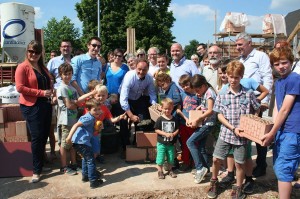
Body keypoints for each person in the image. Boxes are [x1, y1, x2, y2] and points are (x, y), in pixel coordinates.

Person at [207, 60, 260, 199]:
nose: (233, 80)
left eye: (236, 77)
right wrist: (232, 127)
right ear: (227, 76)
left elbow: (257, 108)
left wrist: (251, 123)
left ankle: (238, 187)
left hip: (242, 136)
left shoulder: (248, 94)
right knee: (216, 159)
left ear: (241, 76)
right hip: (225, 133)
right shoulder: (222, 94)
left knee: (239, 163)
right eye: (231, 76)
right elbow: (219, 115)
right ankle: (213, 182)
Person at [261, 47, 300, 199]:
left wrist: (271, 133)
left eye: (284, 63)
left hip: (292, 130)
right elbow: (277, 108)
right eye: (276, 64)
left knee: (284, 167)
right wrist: (273, 130)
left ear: (291, 62)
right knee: (279, 165)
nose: (281, 67)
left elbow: (285, 109)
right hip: (282, 130)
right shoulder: (279, 81)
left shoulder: (294, 79)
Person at [15, 40, 53, 183]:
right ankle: (36, 170)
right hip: (32, 106)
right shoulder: (22, 67)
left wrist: (51, 93)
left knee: (44, 136)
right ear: (27, 51)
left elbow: (49, 83)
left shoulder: (42, 67)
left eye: (37, 52)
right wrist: (41, 93)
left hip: (46, 105)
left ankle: (40, 164)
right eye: (31, 51)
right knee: (37, 137)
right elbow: (20, 88)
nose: (34, 54)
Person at [236, 32, 273, 178]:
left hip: (258, 100)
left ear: (249, 43)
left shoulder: (260, 56)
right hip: (244, 102)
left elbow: (267, 78)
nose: (238, 47)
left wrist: (264, 101)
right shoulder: (241, 59)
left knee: (259, 134)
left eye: (240, 44)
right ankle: (247, 164)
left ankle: (262, 164)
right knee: (247, 133)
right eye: (237, 45)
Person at [56, 63, 96, 175]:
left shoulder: (72, 88)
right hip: (65, 121)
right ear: (60, 75)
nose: (68, 76)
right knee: (64, 144)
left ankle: (73, 164)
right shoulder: (62, 88)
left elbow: (78, 102)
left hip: (73, 120)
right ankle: (64, 166)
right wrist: (76, 103)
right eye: (65, 74)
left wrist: (76, 102)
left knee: (73, 143)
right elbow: (69, 105)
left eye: (69, 74)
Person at [66, 98, 103, 189]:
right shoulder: (88, 117)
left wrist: (98, 128)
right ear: (89, 109)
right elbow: (76, 125)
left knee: (85, 159)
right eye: (95, 110)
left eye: (99, 109)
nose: (98, 111)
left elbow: (90, 130)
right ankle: (93, 181)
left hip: (80, 142)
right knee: (91, 160)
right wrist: (69, 137)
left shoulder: (92, 117)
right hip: (82, 142)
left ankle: (85, 176)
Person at [187, 74, 217, 184]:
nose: (197, 93)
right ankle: (206, 169)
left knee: (190, 142)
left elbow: (210, 110)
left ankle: (200, 168)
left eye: (198, 90)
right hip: (206, 122)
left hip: (208, 124)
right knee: (201, 147)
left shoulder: (209, 93)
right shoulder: (206, 92)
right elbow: (206, 107)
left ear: (204, 85)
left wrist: (198, 118)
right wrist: (200, 107)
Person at [87, 85, 127, 159]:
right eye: (98, 95)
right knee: (87, 150)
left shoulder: (105, 108)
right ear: (94, 95)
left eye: (103, 95)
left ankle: (94, 162)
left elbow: (111, 120)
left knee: (96, 148)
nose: (101, 97)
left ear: (106, 96)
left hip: (97, 132)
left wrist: (120, 117)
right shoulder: (89, 105)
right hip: (87, 131)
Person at [47, 40, 73, 150]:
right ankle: (62, 147)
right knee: (60, 123)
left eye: (68, 46)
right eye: (63, 46)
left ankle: (71, 147)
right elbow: (48, 77)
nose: (65, 48)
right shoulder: (53, 61)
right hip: (59, 96)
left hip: (72, 94)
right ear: (60, 48)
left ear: (71, 48)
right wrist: (52, 93)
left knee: (71, 122)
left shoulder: (75, 61)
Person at [105, 48, 130, 154]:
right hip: (107, 98)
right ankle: (109, 146)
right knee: (108, 122)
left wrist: (119, 96)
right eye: (115, 55)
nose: (117, 58)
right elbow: (103, 80)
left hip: (120, 98)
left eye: (119, 56)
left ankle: (125, 147)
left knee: (123, 122)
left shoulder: (125, 68)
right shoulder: (107, 67)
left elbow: (127, 83)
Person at [119, 59, 157, 124]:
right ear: (135, 67)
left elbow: (152, 94)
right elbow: (123, 99)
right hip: (126, 99)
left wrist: (155, 107)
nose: (141, 72)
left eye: (144, 70)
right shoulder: (129, 76)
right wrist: (131, 115)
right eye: (139, 69)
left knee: (142, 121)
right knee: (124, 121)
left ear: (148, 69)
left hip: (138, 99)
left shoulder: (149, 77)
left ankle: (140, 131)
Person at [176, 74, 201, 172]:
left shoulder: (197, 95)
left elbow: (201, 108)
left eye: (186, 85)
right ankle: (186, 162)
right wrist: (186, 119)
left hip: (195, 124)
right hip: (184, 123)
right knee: (185, 143)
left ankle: (195, 163)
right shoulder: (182, 94)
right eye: (183, 86)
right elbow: (178, 110)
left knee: (195, 143)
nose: (185, 87)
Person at [154, 98, 179, 179]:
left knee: (171, 158)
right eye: (165, 109)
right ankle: (160, 171)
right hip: (161, 143)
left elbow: (177, 129)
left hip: (171, 143)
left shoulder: (174, 119)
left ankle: (170, 170)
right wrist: (165, 133)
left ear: (172, 109)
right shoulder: (160, 119)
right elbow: (156, 129)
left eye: (169, 109)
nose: (167, 111)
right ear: (162, 108)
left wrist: (173, 134)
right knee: (160, 158)